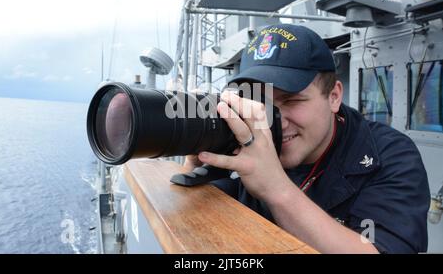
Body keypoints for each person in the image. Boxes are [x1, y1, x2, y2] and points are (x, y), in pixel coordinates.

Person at [184, 23, 430, 254]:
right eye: (261, 102)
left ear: (333, 96)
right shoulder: (247, 138)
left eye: (291, 100)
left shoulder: (390, 154)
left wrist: (276, 189)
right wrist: (195, 166)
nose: (274, 119)